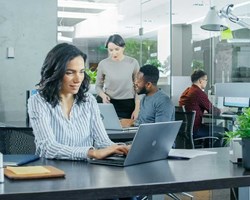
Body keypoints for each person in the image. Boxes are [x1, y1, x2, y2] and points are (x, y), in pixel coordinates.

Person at [28, 43, 129, 161]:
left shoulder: (89, 101)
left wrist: (124, 149)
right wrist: (91, 153)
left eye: (81, 71)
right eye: (69, 73)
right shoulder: (38, 101)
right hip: (52, 172)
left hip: (86, 171)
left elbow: (103, 142)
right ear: (55, 73)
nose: (78, 79)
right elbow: (47, 147)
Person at [95, 34, 140, 120]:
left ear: (123, 48)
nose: (114, 53)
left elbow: (138, 88)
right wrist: (103, 96)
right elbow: (98, 86)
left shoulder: (133, 62)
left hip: (128, 104)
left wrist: (137, 109)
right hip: (109, 103)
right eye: (110, 50)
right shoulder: (103, 64)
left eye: (117, 49)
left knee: (127, 132)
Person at [179, 70, 226, 147]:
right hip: (196, 130)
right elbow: (213, 111)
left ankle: (210, 152)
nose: (206, 82)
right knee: (225, 131)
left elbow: (190, 109)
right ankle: (217, 155)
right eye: (206, 80)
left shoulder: (187, 91)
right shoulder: (198, 92)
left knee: (210, 127)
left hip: (186, 130)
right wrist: (223, 110)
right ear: (201, 81)